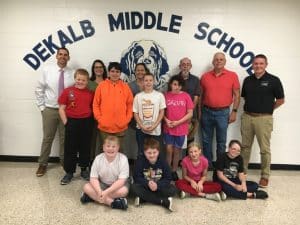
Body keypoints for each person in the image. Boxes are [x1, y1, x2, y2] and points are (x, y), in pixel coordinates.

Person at [240, 54, 285, 188]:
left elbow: (281, 100)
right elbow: (245, 97)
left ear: (266, 65)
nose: (258, 66)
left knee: (264, 149)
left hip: (264, 119)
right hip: (247, 117)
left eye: (261, 63)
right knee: (245, 147)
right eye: (256, 63)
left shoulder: (274, 80)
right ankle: (243, 172)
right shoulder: (247, 80)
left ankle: (265, 176)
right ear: (252, 65)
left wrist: (268, 110)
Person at [35, 47, 75, 177]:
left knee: (66, 139)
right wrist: (42, 108)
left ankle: (65, 162)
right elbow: (39, 89)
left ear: (68, 58)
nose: (63, 57)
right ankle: (43, 164)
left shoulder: (72, 73)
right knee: (47, 138)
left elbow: (74, 93)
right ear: (56, 56)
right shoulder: (47, 70)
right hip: (50, 109)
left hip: (66, 111)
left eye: (65, 55)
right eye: (60, 54)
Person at [199, 52, 240, 168]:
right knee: (206, 141)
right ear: (213, 62)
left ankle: (220, 165)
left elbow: (237, 95)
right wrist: (200, 112)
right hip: (206, 111)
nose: (218, 61)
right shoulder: (205, 76)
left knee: (221, 142)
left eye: (221, 59)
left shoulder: (232, 75)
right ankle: (208, 165)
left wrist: (234, 111)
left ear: (225, 61)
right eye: (216, 59)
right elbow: (200, 96)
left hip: (223, 113)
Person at [58, 69, 94, 184]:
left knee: (85, 147)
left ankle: (84, 169)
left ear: (87, 81)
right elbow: (61, 109)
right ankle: (69, 172)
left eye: (83, 80)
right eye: (78, 79)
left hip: (86, 122)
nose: (80, 82)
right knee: (70, 148)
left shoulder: (90, 93)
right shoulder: (67, 91)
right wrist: (66, 123)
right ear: (75, 79)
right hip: (72, 122)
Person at [80, 136, 130, 210]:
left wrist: (105, 192)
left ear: (118, 148)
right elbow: (93, 178)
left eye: (114, 146)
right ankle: (112, 203)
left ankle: (92, 197)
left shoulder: (123, 159)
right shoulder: (98, 159)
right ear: (103, 147)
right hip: (103, 183)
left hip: (117, 185)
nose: (110, 148)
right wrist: (99, 191)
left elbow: (121, 181)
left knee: (124, 191)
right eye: (108, 146)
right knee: (86, 187)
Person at [93, 62, 133, 150]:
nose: (115, 74)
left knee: (119, 151)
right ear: (108, 72)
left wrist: (126, 120)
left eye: (117, 71)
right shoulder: (101, 86)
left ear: (120, 73)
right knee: (106, 152)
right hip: (104, 127)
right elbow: (96, 104)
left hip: (120, 127)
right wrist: (100, 119)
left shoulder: (125, 87)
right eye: (112, 71)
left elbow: (130, 104)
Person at [131, 138, 177, 212]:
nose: (152, 155)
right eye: (149, 153)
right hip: (146, 186)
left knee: (173, 189)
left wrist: (157, 185)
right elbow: (137, 177)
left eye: (154, 152)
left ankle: (144, 199)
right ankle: (163, 202)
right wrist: (147, 183)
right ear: (144, 152)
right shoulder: (140, 160)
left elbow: (168, 178)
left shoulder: (163, 161)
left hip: (159, 187)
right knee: (133, 187)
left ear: (158, 152)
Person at [164, 75, 194, 180]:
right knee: (168, 149)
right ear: (171, 84)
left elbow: (190, 113)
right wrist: (166, 120)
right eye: (175, 84)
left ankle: (174, 170)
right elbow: (161, 112)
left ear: (182, 86)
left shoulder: (186, 96)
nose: (177, 87)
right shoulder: (165, 96)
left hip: (181, 128)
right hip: (168, 127)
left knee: (177, 150)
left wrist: (178, 122)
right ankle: (167, 170)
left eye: (179, 85)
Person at [133, 73, 166, 157]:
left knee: (155, 152)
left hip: (155, 129)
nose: (148, 82)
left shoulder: (159, 95)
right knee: (142, 151)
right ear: (143, 82)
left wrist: (155, 125)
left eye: (150, 80)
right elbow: (135, 112)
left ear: (154, 81)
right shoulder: (138, 96)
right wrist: (142, 126)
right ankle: (142, 169)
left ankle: (154, 170)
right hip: (141, 129)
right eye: (146, 80)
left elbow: (162, 112)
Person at [177, 57, 201, 144]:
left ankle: (189, 157)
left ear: (190, 66)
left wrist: (189, 114)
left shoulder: (196, 80)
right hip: (177, 116)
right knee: (178, 139)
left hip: (191, 115)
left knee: (190, 139)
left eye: (188, 65)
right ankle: (179, 158)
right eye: (183, 64)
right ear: (180, 66)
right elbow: (171, 98)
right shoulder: (174, 80)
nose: (185, 67)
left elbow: (196, 99)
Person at [88, 60, 107, 161]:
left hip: (105, 116)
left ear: (103, 69)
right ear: (93, 69)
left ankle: (103, 162)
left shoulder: (108, 82)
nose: (98, 69)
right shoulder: (88, 83)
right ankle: (91, 162)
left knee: (104, 140)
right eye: (96, 67)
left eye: (100, 67)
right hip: (91, 116)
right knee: (92, 141)